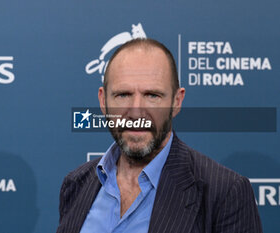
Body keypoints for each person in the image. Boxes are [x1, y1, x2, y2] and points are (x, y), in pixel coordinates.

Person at [56, 38, 262, 233]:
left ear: (176, 101)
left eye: (152, 96)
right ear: (103, 101)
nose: (136, 112)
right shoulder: (76, 184)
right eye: (123, 95)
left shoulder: (224, 193)